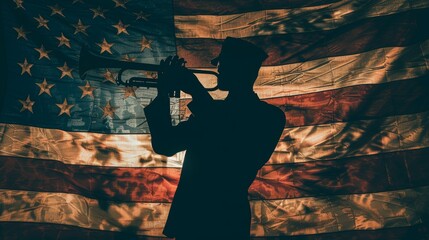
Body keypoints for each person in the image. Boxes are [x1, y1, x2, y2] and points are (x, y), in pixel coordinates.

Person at [144, 37, 286, 240]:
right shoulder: (211, 111)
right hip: (191, 221)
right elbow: (165, 144)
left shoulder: (268, 116)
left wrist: (197, 91)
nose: (218, 69)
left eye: (223, 63)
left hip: (225, 220)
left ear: (242, 68)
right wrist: (164, 94)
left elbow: (229, 142)